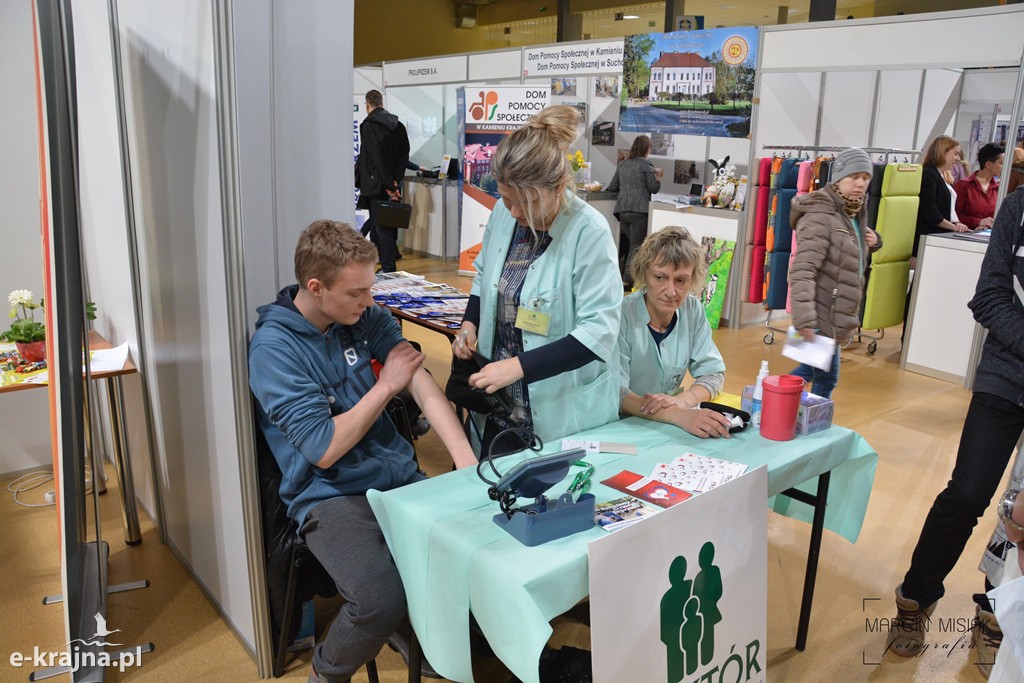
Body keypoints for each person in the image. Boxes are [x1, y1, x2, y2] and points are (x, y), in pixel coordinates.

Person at [249, 220, 476, 683]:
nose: (369, 302)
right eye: (356, 292)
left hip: (396, 478)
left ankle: (425, 643)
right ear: (315, 287)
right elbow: (324, 448)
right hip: (329, 496)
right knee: (379, 597)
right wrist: (386, 384)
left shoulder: (360, 315)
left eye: (370, 289)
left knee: (473, 553)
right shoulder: (274, 349)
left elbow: (418, 379)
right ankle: (327, 674)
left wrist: (466, 463)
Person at [887, 186, 1024, 671]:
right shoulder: (1019, 206)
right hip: (1005, 377)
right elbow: (988, 297)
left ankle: (997, 615)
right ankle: (915, 600)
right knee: (967, 494)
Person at [452, 105, 622, 454]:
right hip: (497, 405)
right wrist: (469, 324)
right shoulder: (505, 213)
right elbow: (484, 274)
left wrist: (518, 367)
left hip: (559, 411)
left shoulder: (588, 232)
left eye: (524, 203)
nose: (513, 212)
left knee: (549, 498)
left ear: (559, 187)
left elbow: (598, 332)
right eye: (506, 198)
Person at [618, 227, 732, 439]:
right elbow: (617, 394)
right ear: (644, 274)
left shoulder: (692, 309)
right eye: (660, 277)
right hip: (623, 427)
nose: (671, 291)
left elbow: (713, 374)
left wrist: (683, 401)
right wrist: (677, 415)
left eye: (681, 281)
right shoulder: (622, 315)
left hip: (665, 428)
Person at [787, 147, 882, 399]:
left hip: (833, 314)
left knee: (812, 372)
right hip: (820, 317)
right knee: (825, 379)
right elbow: (803, 270)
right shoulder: (822, 214)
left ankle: (773, 403)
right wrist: (805, 320)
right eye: (854, 177)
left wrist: (872, 241)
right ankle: (778, 405)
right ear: (838, 177)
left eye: (866, 178)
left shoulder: (852, 211)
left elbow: (846, 258)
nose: (860, 183)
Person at [356, 90, 410, 273]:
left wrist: (387, 183)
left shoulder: (368, 126)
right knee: (387, 224)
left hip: (376, 185)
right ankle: (387, 263)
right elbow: (404, 155)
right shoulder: (398, 125)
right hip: (392, 184)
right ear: (381, 102)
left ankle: (388, 268)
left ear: (367, 105)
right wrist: (395, 181)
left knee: (381, 227)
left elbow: (375, 158)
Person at [607, 135, 663, 289]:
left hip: (622, 211)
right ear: (647, 149)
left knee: (631, 245)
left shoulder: (622, 165)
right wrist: (658, 177)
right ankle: (626, 280)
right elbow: (653, 188)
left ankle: (626, 276)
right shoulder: (647, 164)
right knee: (636, 246)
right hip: (640, 211)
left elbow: (612, 187)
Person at [914, 135, 970, 256]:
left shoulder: (940, 175)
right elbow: (930, 211)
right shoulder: (929, 174)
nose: (958, 158)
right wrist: (953, 227)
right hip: (928, 239)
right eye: (955, 154)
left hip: (935, 238)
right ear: (942, 152)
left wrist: (956, 224)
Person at [955, 142, 1004, 231]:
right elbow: (954, 215)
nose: (1004, 167)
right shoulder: (964, 185)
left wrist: (987, 225)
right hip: (964, 236)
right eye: (1001, 163)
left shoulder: (999, 188)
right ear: (988, 164)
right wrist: (979, 221)